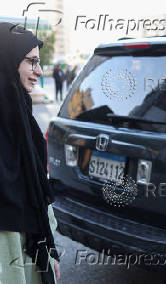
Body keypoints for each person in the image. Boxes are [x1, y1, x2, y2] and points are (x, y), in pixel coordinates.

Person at [0, 22, 60, 284]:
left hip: (31, 239)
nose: (39, 71)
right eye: (31, 61)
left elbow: (36, 184)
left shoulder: (20, 108)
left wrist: (50, 250)